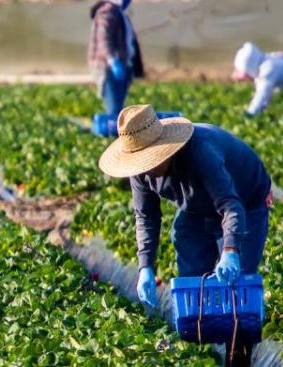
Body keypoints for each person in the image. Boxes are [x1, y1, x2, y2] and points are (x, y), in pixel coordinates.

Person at [97, 105, 271, 366]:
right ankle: (201, 351)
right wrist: (145, 266)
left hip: (244, 200)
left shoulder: (200, 152)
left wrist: (231, 252)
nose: (144, 169)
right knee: (192, 276)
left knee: (238, 286)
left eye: (149, 160)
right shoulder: (140, 173)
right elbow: (146, 216)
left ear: (164, 150)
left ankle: (238, 354)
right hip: (194, 207)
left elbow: (230, 206)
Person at [88, 0, 145, 117]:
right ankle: (113, 132)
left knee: (119, 108)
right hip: (109, 68)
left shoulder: (118, 12)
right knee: (114, 109)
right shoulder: (107, 11)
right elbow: (103, 39)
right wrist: (113, 60)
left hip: (122, 66)